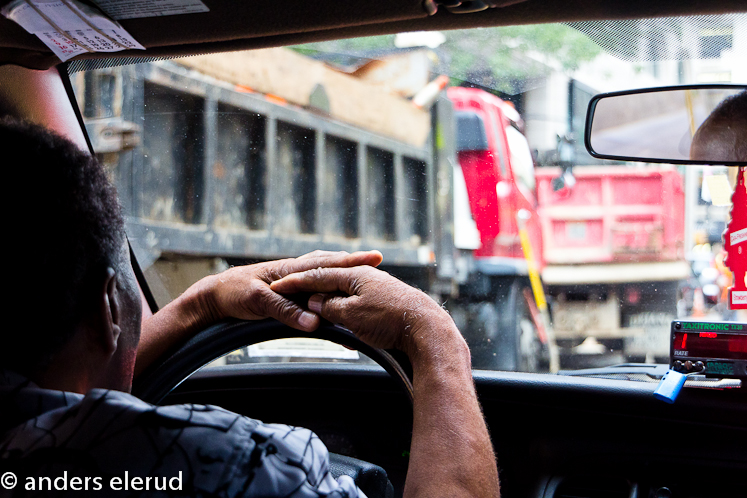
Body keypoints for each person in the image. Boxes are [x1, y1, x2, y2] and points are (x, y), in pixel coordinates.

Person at [0, 118, 499, 497]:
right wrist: (434, 338)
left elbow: (74, 380)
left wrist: (203, 303)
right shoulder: (231, 465)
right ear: (110, 307)